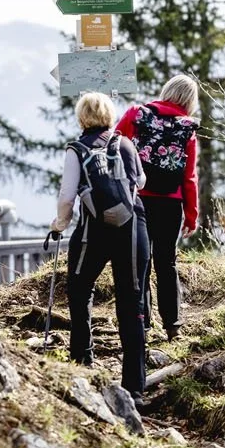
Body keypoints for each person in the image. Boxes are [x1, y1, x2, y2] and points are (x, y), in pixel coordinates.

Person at [52, 91, 150, 401]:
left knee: (79, 289)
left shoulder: (76, 149)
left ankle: (83, 359)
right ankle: (134, 384)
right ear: (109, 115)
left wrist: (60, 223)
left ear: (82, 118)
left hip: (93, 232)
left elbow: (68, 195)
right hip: (133, 228)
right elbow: (142, 182)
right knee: (131, 301)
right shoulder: (124, 144)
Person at [116, 74, 199, 341]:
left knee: (140, 260)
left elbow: (115, 147)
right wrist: (192, 214)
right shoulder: (186, 128)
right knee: (167, 262)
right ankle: (172, 324)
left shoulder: (136, 115)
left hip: (138, 198)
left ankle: (144, 322)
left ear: (167, 91)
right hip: (171, 202)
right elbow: (189, 176)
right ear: (189, 100)